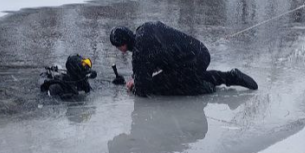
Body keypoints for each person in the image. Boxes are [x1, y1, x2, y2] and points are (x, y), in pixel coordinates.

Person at [109, 23, 258, 97]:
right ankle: (229, 76)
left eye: (118, 46)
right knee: (180, 75)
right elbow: (156, 55)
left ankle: (203, 87)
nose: (119, 50)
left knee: (160, 85)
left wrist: (132, 87)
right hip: (199, 52)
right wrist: (138, 76)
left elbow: (143, 89)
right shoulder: (144, 29)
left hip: (191, 62)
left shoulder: (140, 51)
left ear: (123, 43)